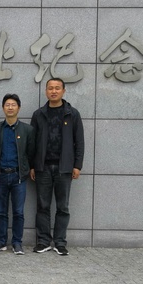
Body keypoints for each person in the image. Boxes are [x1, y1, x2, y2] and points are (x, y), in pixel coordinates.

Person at [30, 77, 85, 256]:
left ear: (63, 91)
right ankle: (43, 241)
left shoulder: (72, 114)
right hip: (43, 167)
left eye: (57, 88)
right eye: (50, 88)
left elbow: (79, 141)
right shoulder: (39, 114)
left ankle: (60, 242)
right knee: (42, 206)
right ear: (46, 91)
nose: (53, 91)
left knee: (63, 207)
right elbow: (32, 143)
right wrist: (32, 165)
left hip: (64, 168)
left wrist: (77, 165)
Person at [0, 93, 35, 255]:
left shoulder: (27, 129)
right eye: (7, 105)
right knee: (0, 211)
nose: (10, 107)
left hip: (18, 177)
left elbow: (31, 152)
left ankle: (17, 242)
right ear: (3, 108)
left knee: (18, 212)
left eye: (13, 105)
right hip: (0, 176)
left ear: (19, 108)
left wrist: (28, 169)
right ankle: (1, 241)